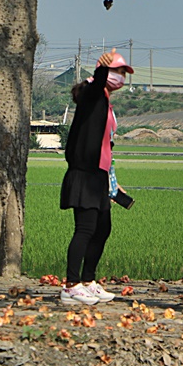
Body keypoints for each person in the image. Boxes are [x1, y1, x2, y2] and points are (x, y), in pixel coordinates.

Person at [60, 49, 132, 306]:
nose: (121, 77)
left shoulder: (104, 100)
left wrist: (112, 180)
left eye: (124, 73)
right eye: (118, 71)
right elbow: (96, 84)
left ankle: (88, 281)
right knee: (85, 229)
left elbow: (106, 146)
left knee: (103, 229)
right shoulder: (92, 95)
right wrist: (101, 70)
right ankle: (70, 285)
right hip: (84, 174)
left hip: (100, 175)